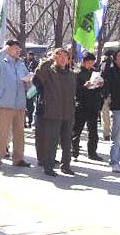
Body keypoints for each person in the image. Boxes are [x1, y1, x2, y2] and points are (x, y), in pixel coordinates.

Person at [33, 48, 76, 177]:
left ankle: (66, 165)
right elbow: (38, 75)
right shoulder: (49, 72)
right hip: (52, 112)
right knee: (51, 141)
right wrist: (50, 59)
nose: (63, 59)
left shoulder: (72, 75)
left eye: (65, 56)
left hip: (68, 112)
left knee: (67, 141)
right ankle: (48, 166)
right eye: (59, 56)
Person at [0, 40, 31, 170]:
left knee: (19, 132)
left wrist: (28, 81)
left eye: (19, 49)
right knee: (2, 132)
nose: (19, 51)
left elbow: (26, 80)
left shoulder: (21, 64)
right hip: (5, 102)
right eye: (15, 49)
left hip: (19, 103)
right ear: (8, 49)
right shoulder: (1, 62)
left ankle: (18, 158)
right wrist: (4, 50)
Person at [72, 51, 104, 161]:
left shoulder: (95, 71)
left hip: (93, 104)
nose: (91, 64)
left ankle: (92, 152)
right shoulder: (77, 73)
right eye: (89, 62)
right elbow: (75, 91)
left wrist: (100, 85)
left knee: (93, 131)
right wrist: (85, 86)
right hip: (81, 104)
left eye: (92, 62)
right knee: (77, 130)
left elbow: (100, 88)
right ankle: (74, 151)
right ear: (84, 62)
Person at [99, 50, 113, 141]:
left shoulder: (102, 65)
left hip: (104, 93)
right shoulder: (113, 65)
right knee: (111, 114)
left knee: (105, 114)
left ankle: (106, 133)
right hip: (112, 92)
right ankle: (110, 132)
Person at [24, 52, 39, 128]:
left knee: (30, 105)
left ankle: (30, 121)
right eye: (29, 55)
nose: (30, 56)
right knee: (27, 104)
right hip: (26, 86)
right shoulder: (24, 62)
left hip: (33, 86)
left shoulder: (35, 63)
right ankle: (27, 121)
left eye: (31, 55)